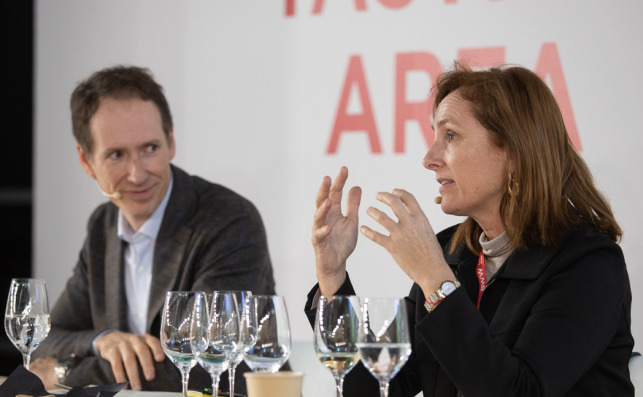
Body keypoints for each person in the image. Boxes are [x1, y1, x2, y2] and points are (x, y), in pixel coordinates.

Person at [305, 64, 634, 396]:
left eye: (450, 136)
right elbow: (375, 387)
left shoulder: (589, 265)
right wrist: (332, 279)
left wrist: (435, 281)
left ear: (514, 152)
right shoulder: (451, 253)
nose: (429, 158)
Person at [30, 65, 276, 392]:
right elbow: (46, 339)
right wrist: (103, 341)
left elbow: (203, 365)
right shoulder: (103, 225)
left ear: (171, 142)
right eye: (117, 154)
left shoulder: (229, 220)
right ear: (86, 161)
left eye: (150, 149)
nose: (137, 174)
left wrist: (63, 373)